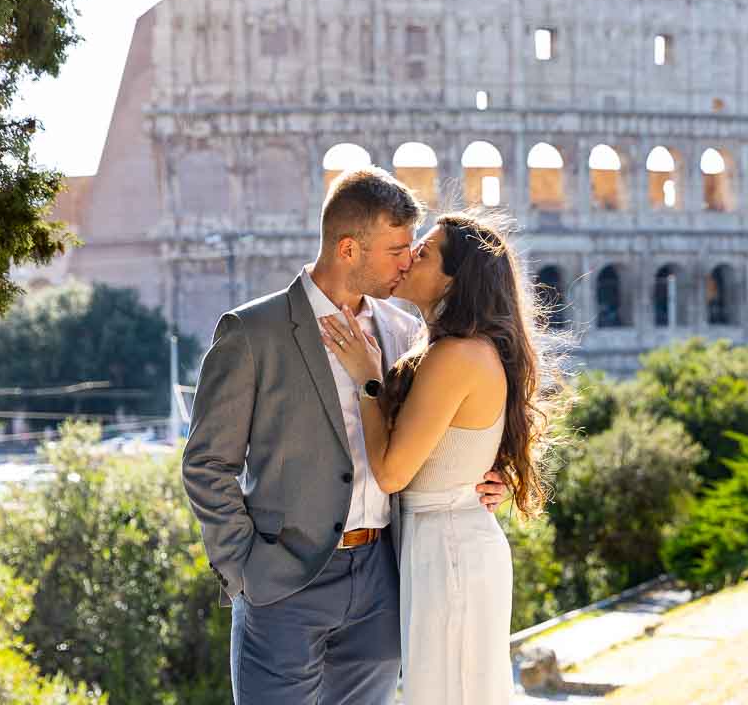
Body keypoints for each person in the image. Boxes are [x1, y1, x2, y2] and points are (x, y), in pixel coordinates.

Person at [181, 167, 510, 705]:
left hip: (384, 578)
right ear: (349, 248)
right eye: (397, 249)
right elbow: (206, 464)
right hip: (283, 584)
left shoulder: (405, 333)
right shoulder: (251, 332)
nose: (408, 262)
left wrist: (487, 477)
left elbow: (435, 437)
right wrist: (245, 570)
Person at [318, 211, 559, 705]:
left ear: (454, 278)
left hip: (450, 554)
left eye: (423, 253)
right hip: (442, 547)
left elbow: (390, 472)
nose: (407, 260)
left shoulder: (457, 356)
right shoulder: (447, 350)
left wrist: (368, 380)